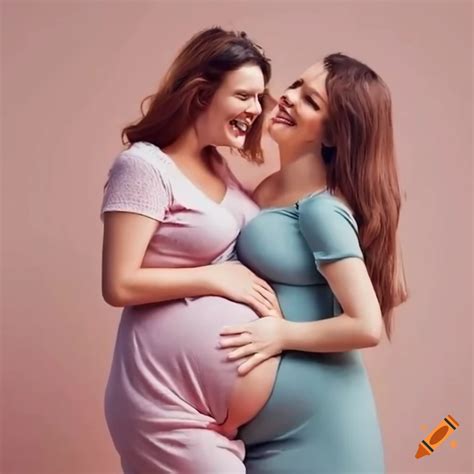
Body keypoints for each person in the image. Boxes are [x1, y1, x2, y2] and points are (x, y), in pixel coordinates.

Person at [100, 27, 283, 473]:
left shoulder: (217, 165)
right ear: (201, 95)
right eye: (244, 96)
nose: (255, 110)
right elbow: (118, 284)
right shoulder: (143, 166)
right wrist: (212, 278)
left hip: (210, 408)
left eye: (259, 98)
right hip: (162, 400)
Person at [218, 53, 408, 473]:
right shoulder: (267, 189)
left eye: (311, 101)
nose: (287, 98)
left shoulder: (323, 211)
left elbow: (366, 325)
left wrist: (280, 334)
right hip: (265, 438)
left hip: (322, 439)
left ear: (334, 134)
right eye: (295, 86)